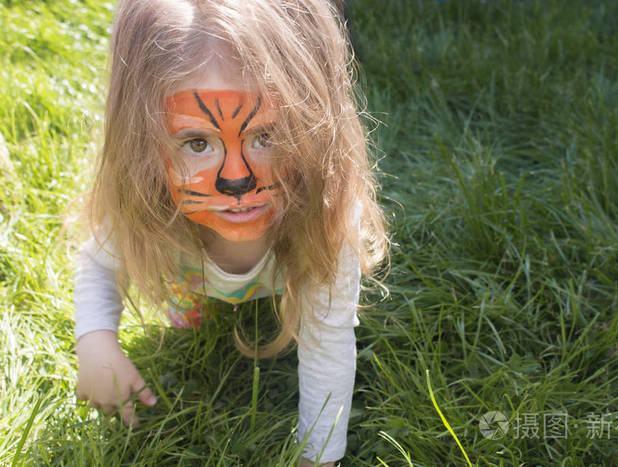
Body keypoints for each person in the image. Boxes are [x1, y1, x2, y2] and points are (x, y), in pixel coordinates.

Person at [72, 0, 387, 465]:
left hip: (287, 262)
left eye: (268, 137)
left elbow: (328, 346)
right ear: (141, 143)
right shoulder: (145, 204)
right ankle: (196, 297)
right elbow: (97, 263)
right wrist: (95, 340)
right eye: (196, 143)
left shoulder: (325, 219)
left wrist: (317, 458)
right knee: (185, 300)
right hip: (191, 271)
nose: (236, 178)